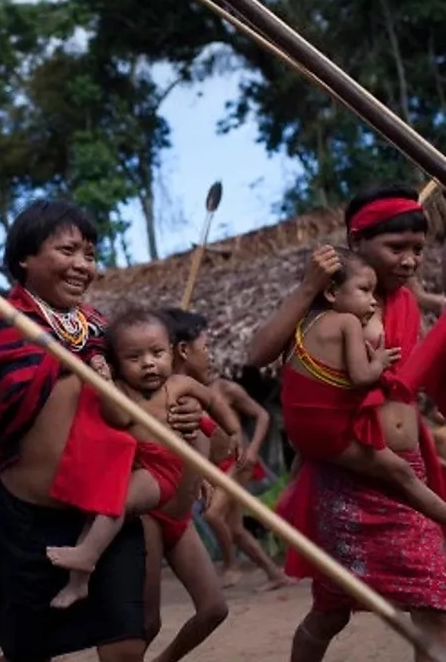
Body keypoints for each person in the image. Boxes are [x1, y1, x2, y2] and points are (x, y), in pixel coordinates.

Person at [0, 199, 204, 662]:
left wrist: (183, 415)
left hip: (106, 515)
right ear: (25, 258)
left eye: (91, 255)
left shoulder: (106, 331)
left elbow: (151, 397)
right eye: (68, 251)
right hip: (26, 523)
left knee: (125, 649)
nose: (83, 265)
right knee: (27, 652)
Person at [246, 185, 446, 662]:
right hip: (352, 475)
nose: (410, 260)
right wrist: (309, 286)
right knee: (335, 609)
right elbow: (256, 355)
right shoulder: (329, 307)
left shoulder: (404, 299)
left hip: (404, 468)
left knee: (433, 600)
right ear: (356, 243)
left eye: (417, 250)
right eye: (395, 249)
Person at [44, 307, 240, 610]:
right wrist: (105, 383)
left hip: (163, 470)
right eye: (134, 358)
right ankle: (77, 583)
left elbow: (213, 400)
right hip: (136, 465)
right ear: (118, 364)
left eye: (157, 353)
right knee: (98, 512)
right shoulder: (121, 390)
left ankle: (88, 556)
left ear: (173, 353)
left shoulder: (179, 385)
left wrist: (232, 428)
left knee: (116, 504)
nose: (148, 363)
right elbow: (119, 416)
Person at [141, 308, 284, 662]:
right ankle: (265, 569)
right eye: (206, 346)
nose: (212, 355)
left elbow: (231, 425)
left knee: (213, 603)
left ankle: (243, 567)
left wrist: (239, 449)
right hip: (156, 512)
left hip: (205, 492)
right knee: (146, 622)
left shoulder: (209, 390)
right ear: (184, 352)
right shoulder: (152, 394)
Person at [281, 246, 446, 525]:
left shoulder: (302, 325)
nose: (373, 302)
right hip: (330, 432)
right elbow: (361, 377)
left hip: (299, 431)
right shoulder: (348, 322)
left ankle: (288, 509)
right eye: (365, 291)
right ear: (332, 293)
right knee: (402, 474)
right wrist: (380, 363)